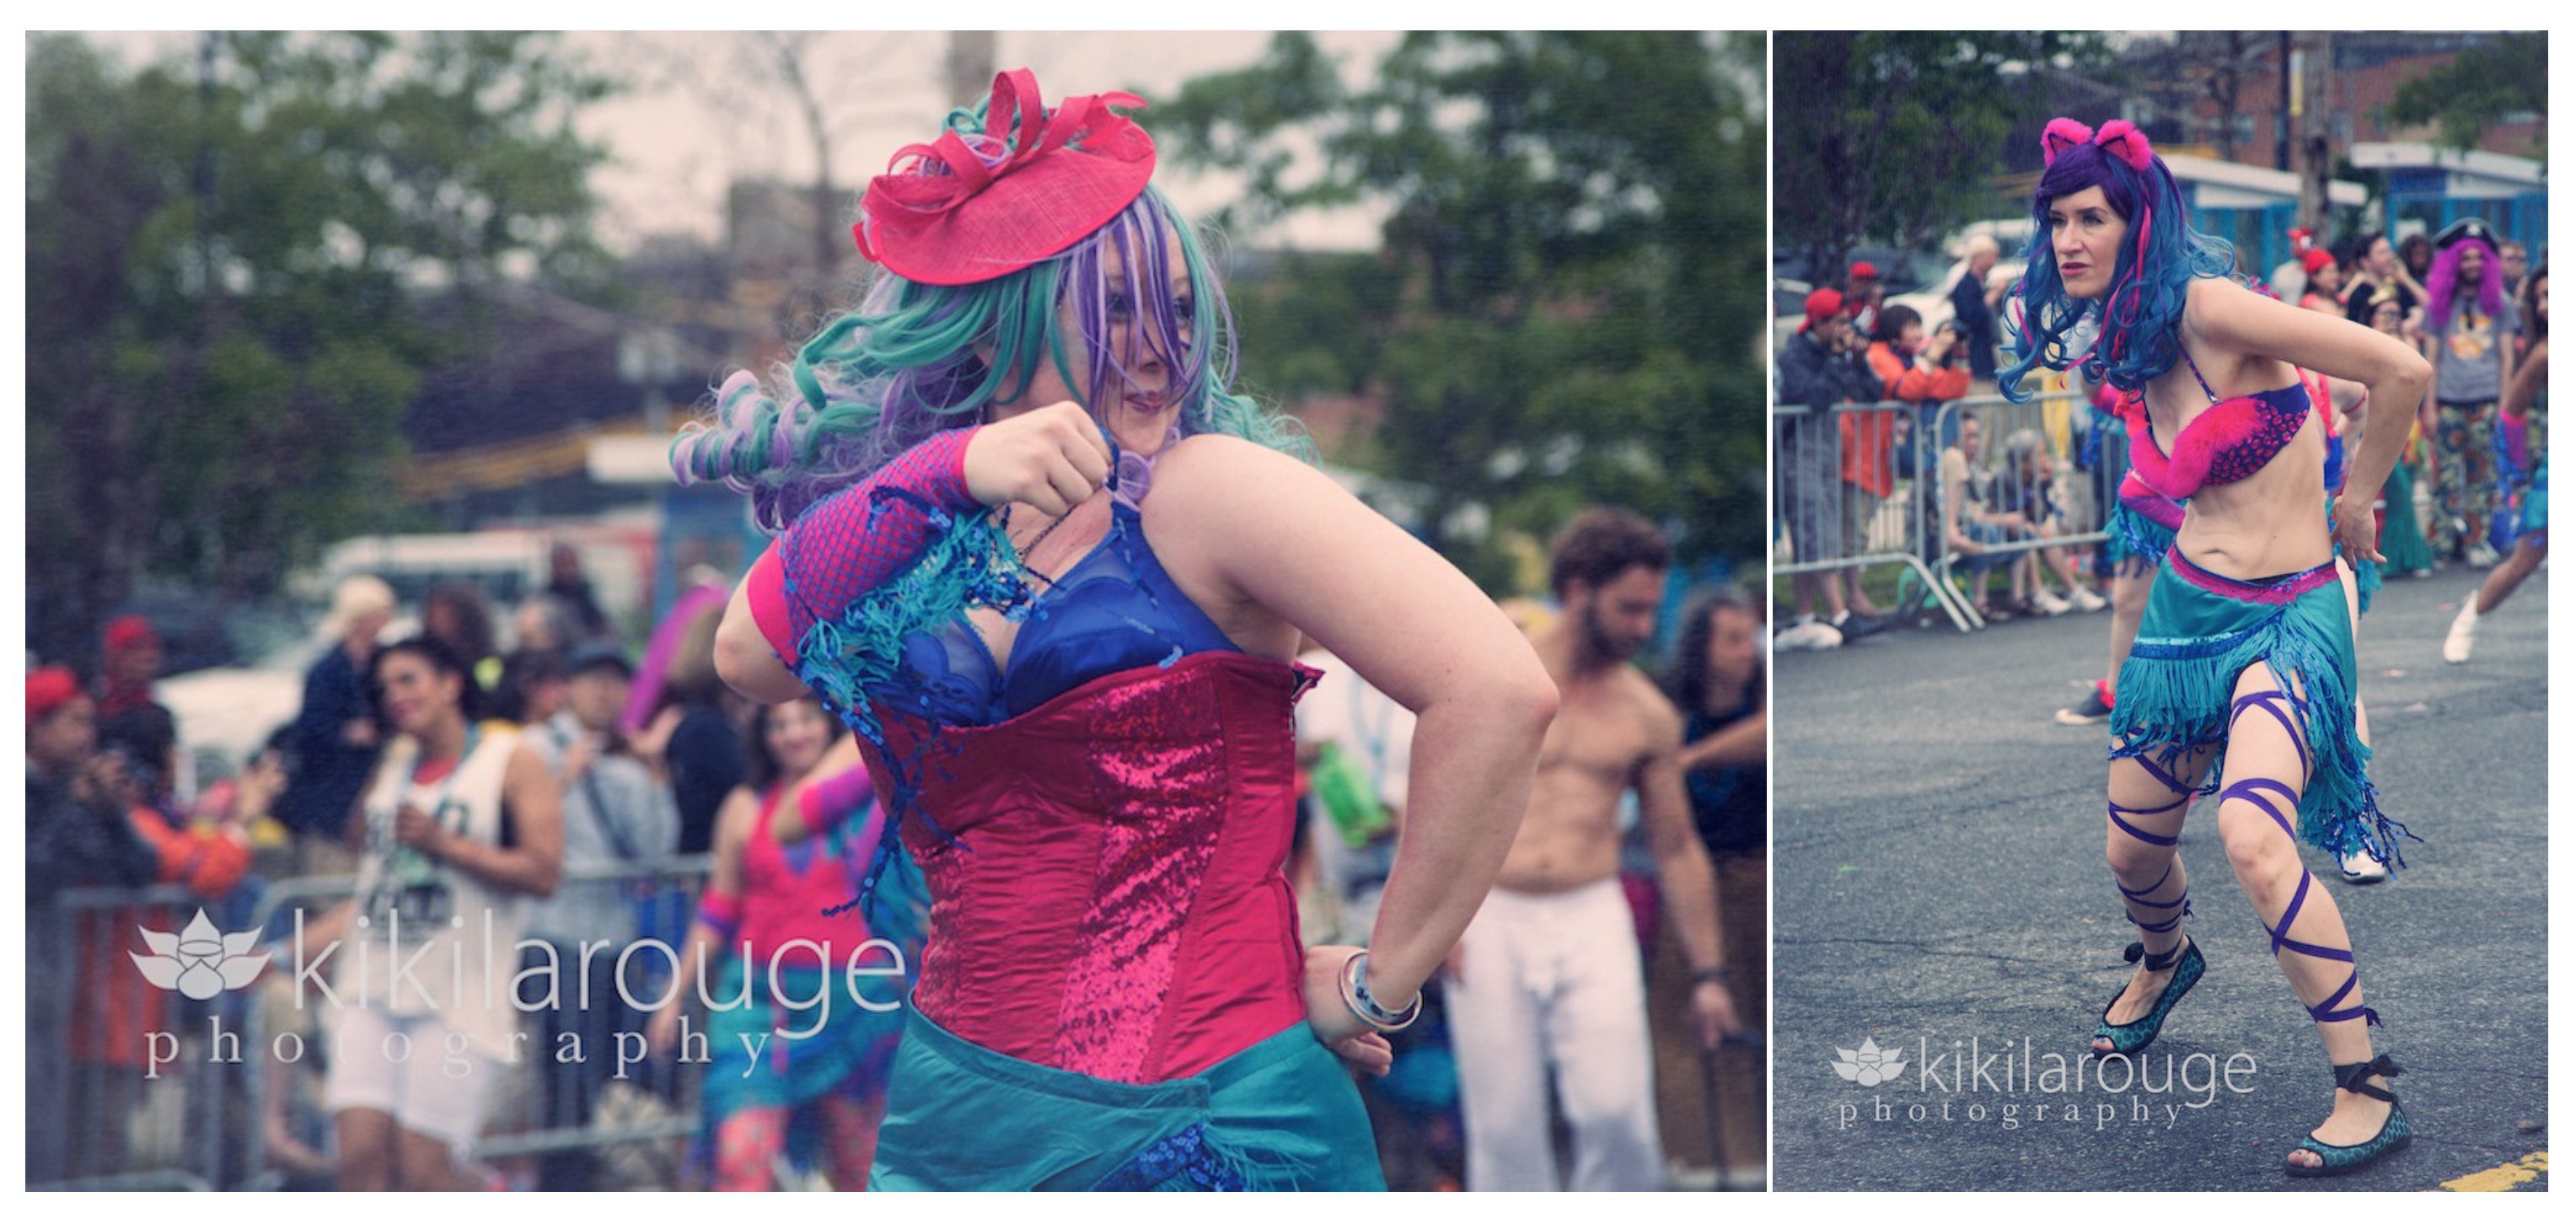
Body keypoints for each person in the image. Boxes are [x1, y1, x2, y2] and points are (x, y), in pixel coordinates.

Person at [669, 69, 1558, 1190]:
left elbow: (1497, 691)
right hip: (954, 1122)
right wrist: (946, 470)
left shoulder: (1210, 492)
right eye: (1118, 310)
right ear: (997, 336)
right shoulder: (921, 528)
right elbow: (746, 657)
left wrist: (1386, 978)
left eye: (1178, 311)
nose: (1157, 349)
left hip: (1214, 1119)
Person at [2001, 117, 2430, 1177]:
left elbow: (2399, 368)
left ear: (2135, 217)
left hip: (2290, 613)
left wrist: (2358, 500)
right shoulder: (2126, 325)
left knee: (2249, 834)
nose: (2067, 238)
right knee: (2131, 848)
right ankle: (2164, 961)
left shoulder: (2212, 305)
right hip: (2186, 613)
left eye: (2089, 216)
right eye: (2055, 219)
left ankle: (2363, 1087)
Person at [1444, 509, 1740, 1191]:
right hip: (1488, 909)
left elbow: (1676, 847)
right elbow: (1434, 795)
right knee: (1506, 1124)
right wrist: (1434, 922)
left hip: (1590, 910)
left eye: (1651, 611)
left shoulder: (1646, 712)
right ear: (1579, 590)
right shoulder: (1500, 677)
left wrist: (1710, 976)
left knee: (1617, 1113)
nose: (1644, 628)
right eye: (1631, 609)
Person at [297, 636, 564, 1190]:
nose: (395, 695)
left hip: (458, 993)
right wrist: (287, 954)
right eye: (385, 686)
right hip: (373, 983)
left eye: (409, 679)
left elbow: (544, 872)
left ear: (450, 683)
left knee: (426, 1170)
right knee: (360, 1157)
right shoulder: (393, 764)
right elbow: (372, 886)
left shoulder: (509, 757)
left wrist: (448, 845)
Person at [649, 696, 910, 1190]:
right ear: (762, 736)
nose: (794, 734)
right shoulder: (744, 807)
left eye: (806, 719)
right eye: (779, 724)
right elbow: (718, 908)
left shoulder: (870, 799)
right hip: (757, 1005)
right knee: (740, 1159)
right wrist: (673, 997)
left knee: (860, 1171)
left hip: (854, 1007)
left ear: (828, 726)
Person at [518, 642, 679, 1189]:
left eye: (616, 681)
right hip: (550, 938)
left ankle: (586, 1180)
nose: (605, 692)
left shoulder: (631, 765)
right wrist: (561, 779)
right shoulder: (533, 749)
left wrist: (656, 774)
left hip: (611, 945)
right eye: (593, 679)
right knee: (557, 1073)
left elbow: (657, 857)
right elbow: (507, 827)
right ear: (569, 687)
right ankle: (555, 1184)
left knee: (604, 1075)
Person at [25, 667, 160, 1185]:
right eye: (75, 723)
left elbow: (138, 872)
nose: (88, 737)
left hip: (56, 985)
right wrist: (78, 810)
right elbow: (33, 871)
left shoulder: (69, 792)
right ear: (36, 726)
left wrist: (110, 813)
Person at [1664, 588, 1765, 1186]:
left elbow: (1763, 734)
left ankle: (1755, 1163)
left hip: (1753, 881)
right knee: (1689, 1032)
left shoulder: (1760, 704)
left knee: (1755, 1021)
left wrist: (1690, 756)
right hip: (1696, 891)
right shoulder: (1668, 706)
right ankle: (1696, 1166)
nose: (1745, 651)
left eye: (1750, 637)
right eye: (1731, 638)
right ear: (1700, 647)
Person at [2445, 263, 2548, 663]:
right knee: (2527, 557)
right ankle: (2471, 616)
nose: (2544, 306)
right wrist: (2518, 478)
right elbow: (2510, 414)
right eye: (2539, 297)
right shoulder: (2545, 353)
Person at [1778, 286, 1889, 641]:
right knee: (1814, 531)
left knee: (1816, 531)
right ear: (1819, 322)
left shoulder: (1835, 353)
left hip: (1829, 453)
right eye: (1839, 322)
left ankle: (1804, 615)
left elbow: (1870, 393)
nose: (1844, 329)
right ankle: (1840, 615)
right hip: (1799, 453)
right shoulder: (1794, 355)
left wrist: (1857, 358)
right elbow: (1815, 397)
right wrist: (1837, 359)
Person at [2419, 218, 2520, 566]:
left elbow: (2508, 358)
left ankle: (2477, 541)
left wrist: (2505, 407)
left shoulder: (2502, 302)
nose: (2473, 264)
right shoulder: (2437, 305)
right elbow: (2430, 357)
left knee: (2482, 475)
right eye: (2466, 258)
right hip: (2448, 401)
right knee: (2444, 479)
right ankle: (2443, 545)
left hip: (2487, 401)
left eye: (2479, 258)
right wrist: (2428, 408)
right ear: (2454, 262)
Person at [281, 577, 394, 870]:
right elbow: (309, 730)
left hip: (374, 781)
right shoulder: (326, 671)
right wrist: (347, 734)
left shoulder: (385, 663)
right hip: (331, 791)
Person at [1865, 304, 1970, 567]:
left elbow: (1950, 389)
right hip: (1873, 451)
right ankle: (1848, 598)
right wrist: (1933, 353)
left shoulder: (1912, 359)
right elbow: (1908, 389)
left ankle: (1934, 561)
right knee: (1859, 526)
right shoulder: (1880, 356)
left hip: (1911, 451)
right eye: (1911, 326)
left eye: (1919, 326)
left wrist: (1956, 356)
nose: (1918, 333)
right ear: (1893, 331)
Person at [1950, 234, 2006, 386]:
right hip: (1974, 355)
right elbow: (1971, 317)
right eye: (1992, 256)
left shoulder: (1983, 284)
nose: (1996, 261)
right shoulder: (1965, 285)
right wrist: (1992, 296)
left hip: (1988, 351)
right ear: (1979, 257)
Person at [2299, 249, 2343, 315]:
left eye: (2335, 270)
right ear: (2314, 277)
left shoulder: (2336, 297)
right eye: (2329, 272)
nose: (2335, 276)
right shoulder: (2308, 301)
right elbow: (2335, 317)